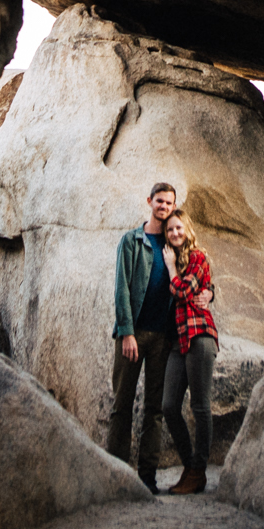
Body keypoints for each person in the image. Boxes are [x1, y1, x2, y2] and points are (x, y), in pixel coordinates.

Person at [107, 181, 177, 490]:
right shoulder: (132, 241)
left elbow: (197, 275)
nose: (164, 207)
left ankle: (147, 476)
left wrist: (209, 292)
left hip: (163, 338)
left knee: (155, 409)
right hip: (133, 335)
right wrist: (126, 332)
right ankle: (116, 474)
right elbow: (121, 289)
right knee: (121, 405)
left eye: (169, 203)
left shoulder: (175, 242)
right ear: (149, 201)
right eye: (160, 201)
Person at [159, 208, 218, 496]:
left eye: (179, 228)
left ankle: (199, 471)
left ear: (188, 229)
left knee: (200, 405)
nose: (175, 233)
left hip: (199, 335)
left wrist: (172, 269)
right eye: (170, 230)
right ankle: (191, 467)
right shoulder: (171, 257)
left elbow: (183, 291)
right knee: (169, 406)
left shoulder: (197, 256)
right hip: (178, 342)